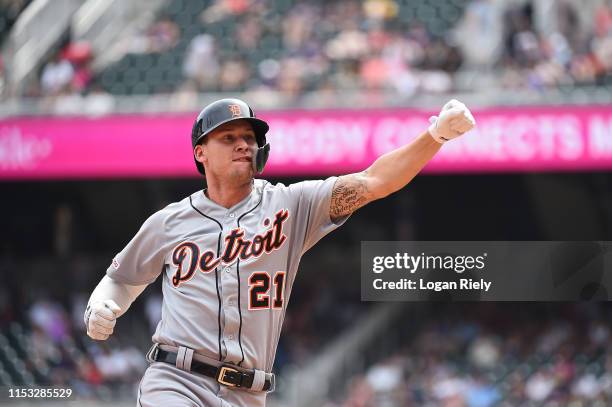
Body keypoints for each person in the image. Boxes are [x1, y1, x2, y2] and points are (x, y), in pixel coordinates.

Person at [84, 98, 476, 406]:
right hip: (176, 380)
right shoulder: (169, 222)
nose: (243, 144)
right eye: (228, 137)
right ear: (200, 152)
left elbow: (374, 181)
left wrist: (434, 137)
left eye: (249, 138)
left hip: (250, 393)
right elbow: (120, 279)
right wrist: (102, 304)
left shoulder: (291, 205)